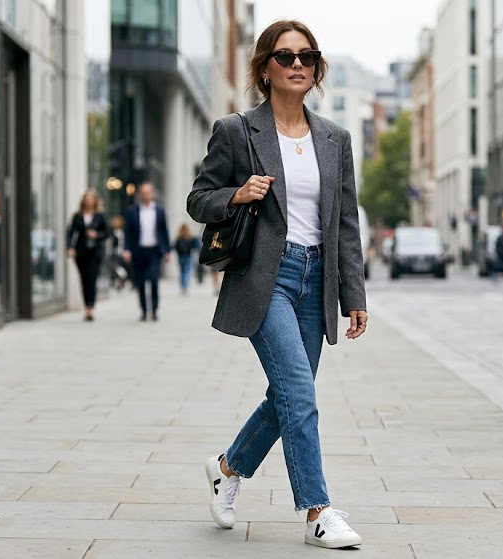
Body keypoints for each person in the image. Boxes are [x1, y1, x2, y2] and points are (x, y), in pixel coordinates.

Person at [187, 19, 367, 549]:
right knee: (299, 393)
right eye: (285, 56)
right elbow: (199, 200)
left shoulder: (335, 139)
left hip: (318, 279)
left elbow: (346, 225)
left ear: (316, 69)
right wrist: (237, 194)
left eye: (306, 57)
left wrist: (353, 295)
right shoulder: (237, 130)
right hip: (267, 277)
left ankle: (227, 467)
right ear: (265, 66)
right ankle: (317, 511)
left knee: (289, 394)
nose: (297, 65)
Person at [124, 182, 171, 321]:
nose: (146, 195)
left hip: (154, 252)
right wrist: (126, 250)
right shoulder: (132, 211)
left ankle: (155, 310)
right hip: (138, 251)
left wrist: (167, 250)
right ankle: (144, 311)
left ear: (153, 194)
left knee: (154, 280)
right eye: (143, 193)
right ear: (140, 195)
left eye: (148, 193)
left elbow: (164, 232)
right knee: (140, 283)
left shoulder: (160, 211)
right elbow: (128, 233)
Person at [68, 190, 109, 321]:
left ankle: (91, 308)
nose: (89, 201)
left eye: (92, 198)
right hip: (81, 252)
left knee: (92, 278)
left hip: (95, 252)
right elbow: (70, 233)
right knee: (84, 279)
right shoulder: (77, 216)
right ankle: (86, 306)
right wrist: (70, 248)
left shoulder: (100, 216)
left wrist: (96, 235)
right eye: (87, 198)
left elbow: (107, 233)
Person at [173, 224, 199, 295]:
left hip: (180, 257)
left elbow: (174, 247)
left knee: (182, 272)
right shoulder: (190, 238)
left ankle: (183, 286)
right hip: (188, 256)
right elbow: (196, 246)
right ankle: (185, 287)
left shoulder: (179, 238)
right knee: (187, 272)